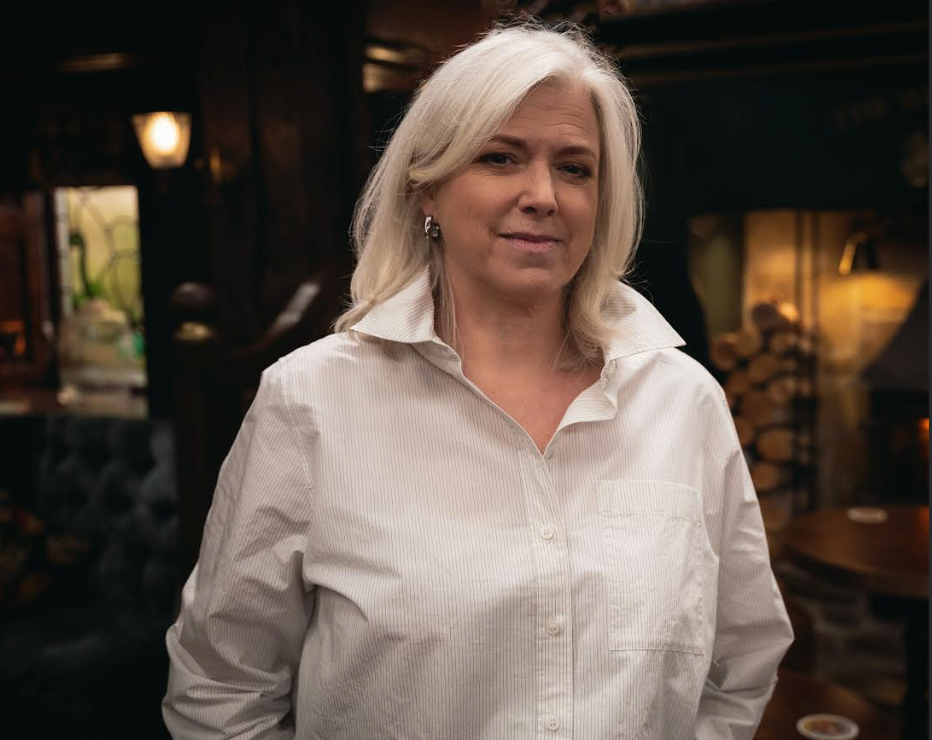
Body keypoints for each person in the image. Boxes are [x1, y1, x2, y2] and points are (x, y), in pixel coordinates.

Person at [163, 20, 793, 740]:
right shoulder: (311, 404)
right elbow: (220, 690)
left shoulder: (683, 403)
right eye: (500, 157)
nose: (543, 194)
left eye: (575, 168)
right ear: (426, 189)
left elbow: (740, 665)